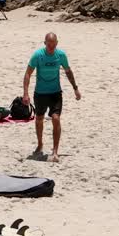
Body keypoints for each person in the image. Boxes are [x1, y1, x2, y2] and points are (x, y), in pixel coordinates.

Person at [22, 32, 81, 163]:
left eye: (53, 44)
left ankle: (55, 151)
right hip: (40, 93)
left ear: (57, 43)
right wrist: (25, 93)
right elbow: (27, 74)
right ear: (45, 43)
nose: (51, 47)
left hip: (55, 93)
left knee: (56, 118)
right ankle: (40, 144)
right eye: (49, 44)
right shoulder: (38, 55)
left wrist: (75, 88)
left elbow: (68, 71)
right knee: (39, 119)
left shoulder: (61, 55)